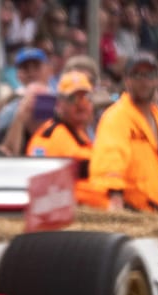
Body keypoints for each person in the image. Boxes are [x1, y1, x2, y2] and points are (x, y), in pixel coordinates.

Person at [90, 52, 158, 213]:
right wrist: (115, 198)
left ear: (157, 80)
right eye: (137, 75)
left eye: (149, 75)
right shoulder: (117, 116)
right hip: (132, 211)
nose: (144, 81)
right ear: (126, 80)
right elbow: (110, 159)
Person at [26, 71, 105, 208]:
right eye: (72, 98)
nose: (81, 104)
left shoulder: (80, 133)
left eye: (85, 97)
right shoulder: (48, 137)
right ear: (60, 103)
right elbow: (41, 186)